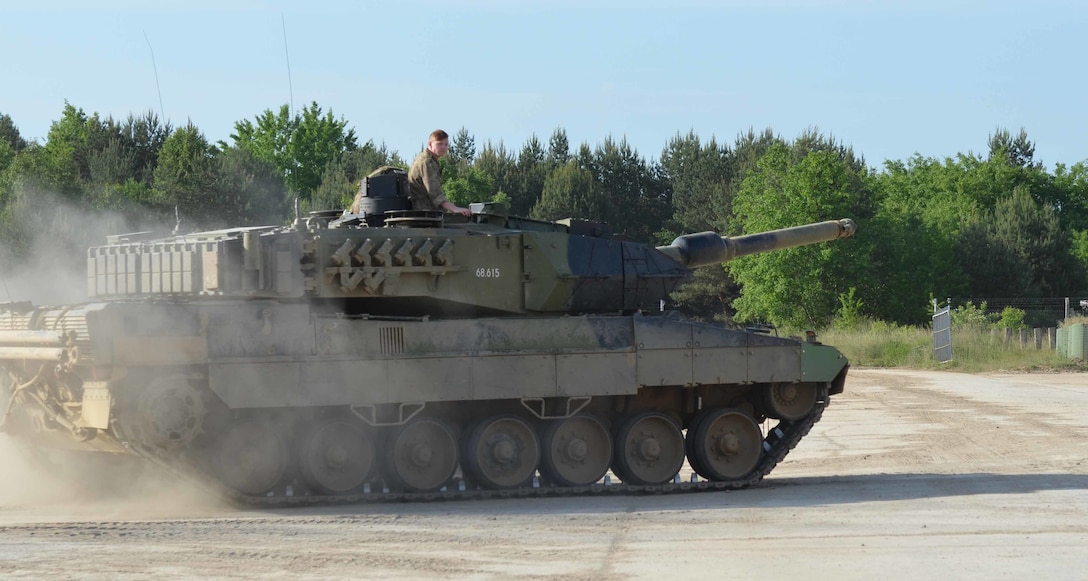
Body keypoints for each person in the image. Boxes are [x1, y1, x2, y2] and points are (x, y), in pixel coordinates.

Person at [407, 129, 472, 217]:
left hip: (427, 211)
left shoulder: (430, 160)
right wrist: (455, 209)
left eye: (446, 144)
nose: (443, 147)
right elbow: (435, 194)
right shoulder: (426, 162)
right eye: (439, 144)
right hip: (424, 213)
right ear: (430, 144)